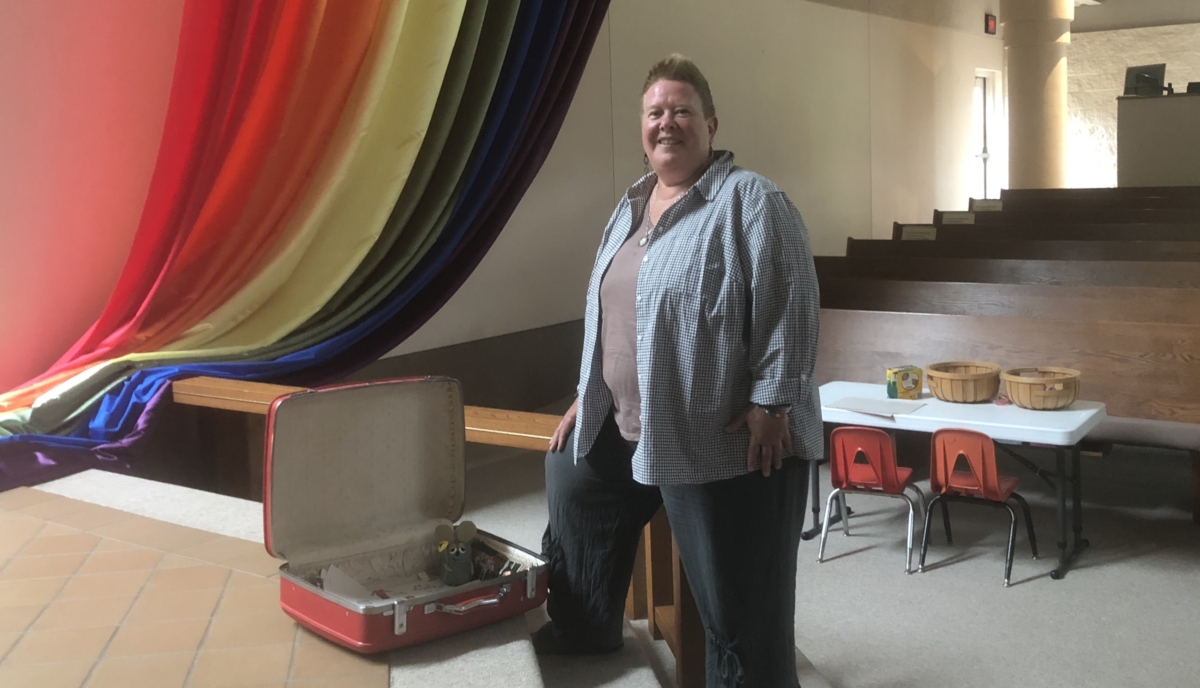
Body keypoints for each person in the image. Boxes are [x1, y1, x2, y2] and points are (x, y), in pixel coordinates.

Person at [536, 53, 821, 688]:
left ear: (711, 125)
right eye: (655, 112)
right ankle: (587, 623)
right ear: (642, 127)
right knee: (570, 471)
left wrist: (773, 404)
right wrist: (593, 393)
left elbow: (790, 308)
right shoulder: (632, 208)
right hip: (635, 425)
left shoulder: (750, 201)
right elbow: (612, 313)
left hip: (722, 439)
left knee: (737, 599)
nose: (668, 122)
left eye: (682, 111)